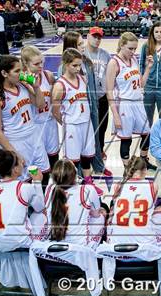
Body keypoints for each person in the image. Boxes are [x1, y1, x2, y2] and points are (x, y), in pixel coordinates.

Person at [0, 54, 50, 181]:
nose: (21, 74)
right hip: (16, 142)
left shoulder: (23, 85)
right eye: (17, 71)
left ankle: (43, 200)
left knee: (43, 175)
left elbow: (40, 105)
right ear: (4, 73)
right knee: (25, 181)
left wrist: (36, 87)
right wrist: (14, 153)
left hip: (34, 136)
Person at [59, 31, 112, 176]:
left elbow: (92, 86)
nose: (83, 46)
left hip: (91, 106)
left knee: (94, 139)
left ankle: (98, 165)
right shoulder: (63, 68)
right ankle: (78, 174)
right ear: (71, 47)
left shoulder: (87, 62)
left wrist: (95, 104)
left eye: (83, 43)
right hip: (75, 113)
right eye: (80, 44)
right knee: (77, 147)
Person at [52, 48, 102, 196]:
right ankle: (71, 185)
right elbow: (55, 111)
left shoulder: (82, 79)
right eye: (74, 65)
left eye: (79, 65)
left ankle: (88, 181)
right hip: (72, 126)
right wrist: (67, 123)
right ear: (65, 64)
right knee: (72, 160)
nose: (78, 68)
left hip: (86, 123)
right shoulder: (60, 85)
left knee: (87, 156)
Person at [106, 32, 155, 169]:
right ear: (121, 45)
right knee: (126, 139)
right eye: (130, 48)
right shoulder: (113, 63)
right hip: (124, 104)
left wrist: (148, 69)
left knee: (147, 134)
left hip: (138, 101)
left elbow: (141, 84)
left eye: (135, 49)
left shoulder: (133, 60)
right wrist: (115, 115)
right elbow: (109, 91)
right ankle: (127, 169)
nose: (133, 52)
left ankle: (144, 160)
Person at [0, 149, 45, 246]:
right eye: (20, 162)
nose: (23, 164)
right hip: (21, 243)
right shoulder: (23, 187)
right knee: (41, 215)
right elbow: (40, 208)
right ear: (15, 169)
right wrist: (37, 182)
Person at [106, 156, 161, 245]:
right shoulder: (153, 186)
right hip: (144, 242)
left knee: (112, 206)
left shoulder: (119, 185)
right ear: (145, 170)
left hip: (117, 242)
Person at [44, 159, 106, 248]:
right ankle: (93, 248)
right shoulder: (87, 190)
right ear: (75, 176)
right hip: (79, 246)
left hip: (53, 243)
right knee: (100, 216)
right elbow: (95, 215)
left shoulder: (49, 189)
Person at [21, 45, 58, 186]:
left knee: (54, 158)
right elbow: (39, 104)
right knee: (39, 165)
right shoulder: (23, 79)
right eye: (36, 64)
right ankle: (38, 191)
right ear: (25, 64)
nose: (41, 66)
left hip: (50, 122)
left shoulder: (48, 75)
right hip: (34, 125)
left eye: (42, 62)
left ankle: (53, 189)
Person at [84, 27, 112, 161]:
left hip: (102, 97)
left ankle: (100, 150)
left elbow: (110, 75)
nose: (97, 39)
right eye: (94, 36)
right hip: (86, 98)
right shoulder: (81, 53)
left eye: (99, 37)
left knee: (102, 125)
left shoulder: (106, 55)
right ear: (88, 36)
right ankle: (87, 151)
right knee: (88, 126)